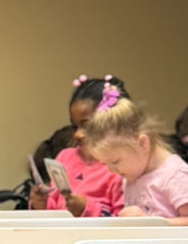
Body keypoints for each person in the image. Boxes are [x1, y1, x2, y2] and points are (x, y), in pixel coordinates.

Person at [84, 87, 188, 224]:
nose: (111, 170)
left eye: (115, 161)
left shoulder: (176, 176)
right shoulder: (133, 176)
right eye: (106, 164)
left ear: (142, 143)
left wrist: (150, 222)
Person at [28, 75, 125, 217]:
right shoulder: (65, 157)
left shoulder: (120, 167)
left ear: (113, 122)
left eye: (87, 125)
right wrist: (41, 205)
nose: (78, 134)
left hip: (94, 239)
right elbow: (55, 208)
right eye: (74, 126)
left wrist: (87, 210)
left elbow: (124, 226)